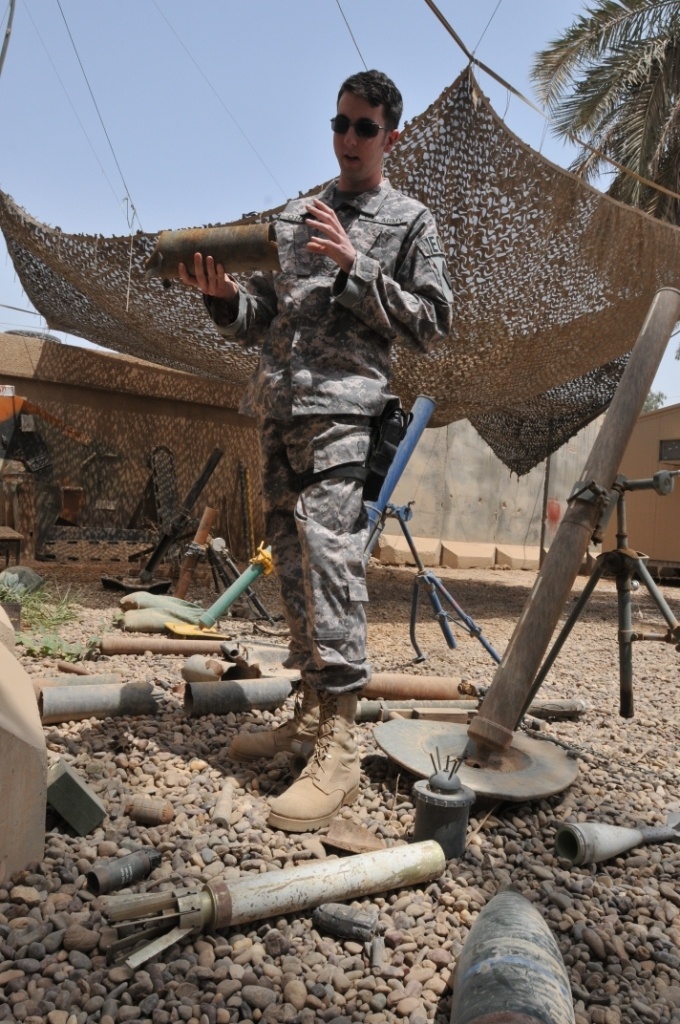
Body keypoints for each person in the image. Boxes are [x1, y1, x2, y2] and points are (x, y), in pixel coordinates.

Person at [178, 69, 453, 832]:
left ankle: (340, 741)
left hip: (342, 419)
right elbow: (267, 314)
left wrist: (355, 267)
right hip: (280, 413)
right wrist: (225, 298)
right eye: (339, 124)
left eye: (365, 128)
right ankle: (307, 714)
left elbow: (434, 321)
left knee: (333, 570)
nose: (348, 140)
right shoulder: (297, 215)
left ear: (390, 136)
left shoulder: (408, 221)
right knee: (291, 568)